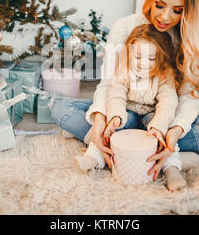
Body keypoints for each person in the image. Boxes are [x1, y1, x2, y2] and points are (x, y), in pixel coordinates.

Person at [51, 0, 199, 189]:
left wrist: (172, 133)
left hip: (163, 115)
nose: (164, 16)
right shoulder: (126, 27)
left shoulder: (193, 36)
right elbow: (110, 85)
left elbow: (188, 97)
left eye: (177, 10)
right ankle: (148, 150)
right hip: (125, 112)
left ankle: (134, 148)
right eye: (160, 5)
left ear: (188, 11)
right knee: (59, 107)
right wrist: (102, 122)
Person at [76, 23, 188, 191]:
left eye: (151, 59)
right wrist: (115, 117)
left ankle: (171, 169)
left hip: (151, 116)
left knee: (166, 134)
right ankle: (92, 157)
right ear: (129, 53)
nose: (143, 64)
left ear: (162, 58)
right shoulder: (124, 69)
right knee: (107, 127)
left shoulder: (165, 74)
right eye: (137, 57)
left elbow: (168, 103)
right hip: (127, 113)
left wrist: (159, 126)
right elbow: (116, 95)